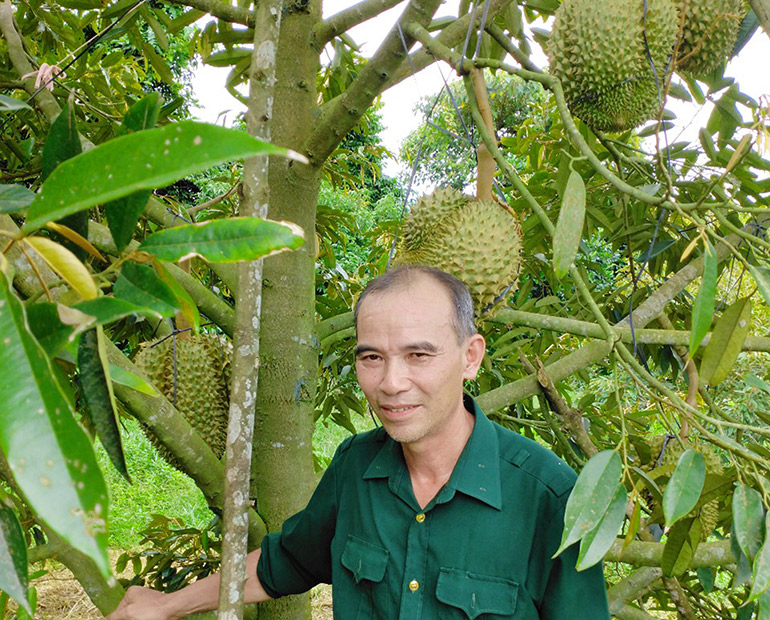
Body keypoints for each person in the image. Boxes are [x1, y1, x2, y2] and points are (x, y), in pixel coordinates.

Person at [108, 265, 610, 620]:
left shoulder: (554, 499)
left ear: (470, 356)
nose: (391, 383)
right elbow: (286, 563)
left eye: (419, 355)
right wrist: (166, 604)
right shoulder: (356, 467)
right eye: (372, 358)